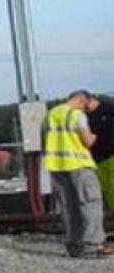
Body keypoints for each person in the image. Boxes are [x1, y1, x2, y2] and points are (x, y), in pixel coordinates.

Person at [43, 90, 110, 258]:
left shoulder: (50, 114)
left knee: (69, 206)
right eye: (86, 107)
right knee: (90, 203)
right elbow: (88, 141)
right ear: (83, 100)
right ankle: (92, 246)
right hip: (79, 165)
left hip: (56, 166)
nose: (86, 111)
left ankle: (74, 246)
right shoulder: (75, 115)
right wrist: (98, 136)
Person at [84, 94, 114, 216]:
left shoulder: (109, 109)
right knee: (107, 193)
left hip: (111, 156)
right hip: (98, 160)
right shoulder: (85, 118)